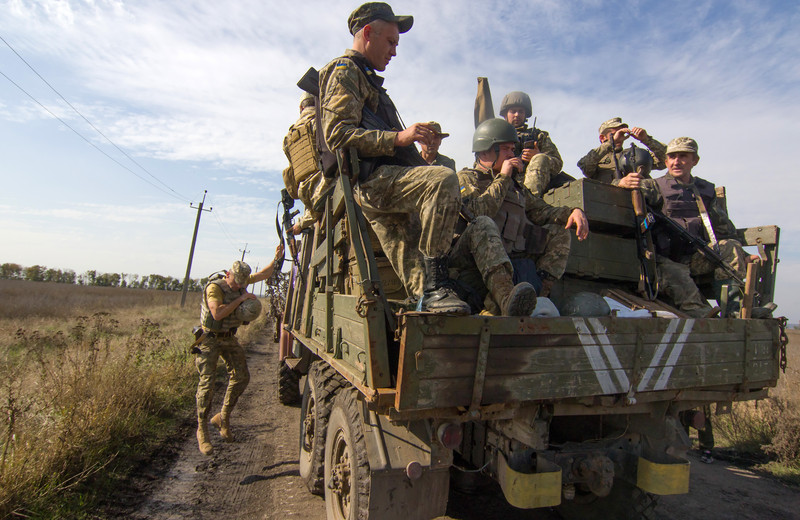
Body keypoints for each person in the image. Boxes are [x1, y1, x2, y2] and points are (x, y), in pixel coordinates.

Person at [318, 2, 470, 314]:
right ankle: (435, 288)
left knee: (419, 283)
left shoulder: (366, 78)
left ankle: (432, 299)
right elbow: (338, 136)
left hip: (383, 180)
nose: (394, 52)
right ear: (368, 33)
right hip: (374, 182)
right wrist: (398, 138)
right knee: (442, 178)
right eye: (391, 42)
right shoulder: (346, 72)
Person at [616, 137, 771, 317]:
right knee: (676, 274)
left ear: (694, 161)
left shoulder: (705, 190)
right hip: (664, 260)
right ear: (666, 161)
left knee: (730, 247)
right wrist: (620, 184)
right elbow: (612, 193)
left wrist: (742, 254)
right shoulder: (653, 186)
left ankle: (734, 311)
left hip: (696, 256)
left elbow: (723, 229)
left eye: (683, 156)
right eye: (672, 157)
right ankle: (702, 313)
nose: (676, 161)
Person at [457, 118, 589, 308]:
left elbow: (541, 210)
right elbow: (476, 213)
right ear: (486, 149)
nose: (513, 154)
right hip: (472, 263)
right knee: (483, 224)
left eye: (513, 149)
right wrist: (503, 177)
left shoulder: (514, 186)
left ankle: (535, 299)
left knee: (558, 232)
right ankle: (505, 299)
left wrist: (572, 212)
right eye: (506, 149)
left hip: (510, 261)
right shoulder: (466, 178)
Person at [195, 246, 283, 455]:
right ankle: (202, 430)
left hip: (228, 338)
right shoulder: (215, 288)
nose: (239, 287)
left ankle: (223, 418)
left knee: (242, 377)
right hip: (210, 340)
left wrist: (276, 258)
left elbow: (264, 274)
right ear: (228, 275)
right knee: (207, 386)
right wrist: (241, 299)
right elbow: (217, 314)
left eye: (242, 284)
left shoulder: (241, 281)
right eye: (236, 283)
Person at [282, 92, 333, 234]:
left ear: (300, 107)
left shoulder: (288, 140)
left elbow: (294, 182)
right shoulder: (326, 120)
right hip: (332, 187)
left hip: (313, 199)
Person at [499, 91, 563, 197]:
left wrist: (537, 157)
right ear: (506, 114)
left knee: (540, 158)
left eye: (521, 111)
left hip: (532, 189)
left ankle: (529, 202)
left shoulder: (538, 136)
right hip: (504, 183)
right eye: (513, 111)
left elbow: (557, 164)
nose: (517, 115)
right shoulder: (497, 136)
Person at [577, 117, 667, 184]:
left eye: (621, 133)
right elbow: (585, 167)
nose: (619, 136)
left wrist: (646, 140)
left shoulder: (633, 155)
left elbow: (666, 160)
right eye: (613, 134)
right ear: (602, 137)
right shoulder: (597, 158)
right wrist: (611, 143)